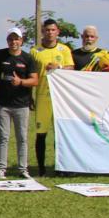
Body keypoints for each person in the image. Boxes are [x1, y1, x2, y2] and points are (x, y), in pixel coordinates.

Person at [0, 28, 37, 179]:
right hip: (3, 104)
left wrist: (21, 81)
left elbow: (34, 80)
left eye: (16, 39)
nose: (13, 42)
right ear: (7, 40)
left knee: (22, 137)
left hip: (22, 105)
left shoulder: (28, 58)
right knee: (3, 137)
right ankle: (1, 169)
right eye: (10, 39)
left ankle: (23, 169)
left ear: (21, 41)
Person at [29, 18, 73, 175]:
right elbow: (30, 74)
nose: (50, 32)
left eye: (53, 30)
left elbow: (71, 68)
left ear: (58, 32)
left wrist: (59, 67)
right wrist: (30, 97)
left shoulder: (64, 50)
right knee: (41, 134)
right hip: (42, 96)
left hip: (60, 98)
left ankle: (61, 167)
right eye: (47, 30)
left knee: (60, 133)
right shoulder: (35, 51)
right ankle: (41, 168)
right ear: (43, 31)